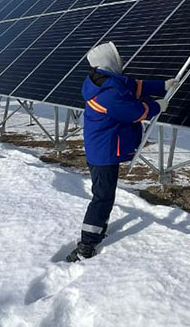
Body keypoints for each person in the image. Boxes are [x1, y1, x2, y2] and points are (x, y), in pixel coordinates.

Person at [55, 42, 175, 263]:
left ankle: (97, 230)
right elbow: (133, 111)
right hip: (103, 154)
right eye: (117, 59)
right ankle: (87, 244)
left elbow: (135, 87)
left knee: (104, 195)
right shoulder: (109, 93)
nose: (121, 63)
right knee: (102, 197)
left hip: (104, 149)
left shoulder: (107, 82)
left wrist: (162, 86)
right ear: (108, 63)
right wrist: (157, 107)